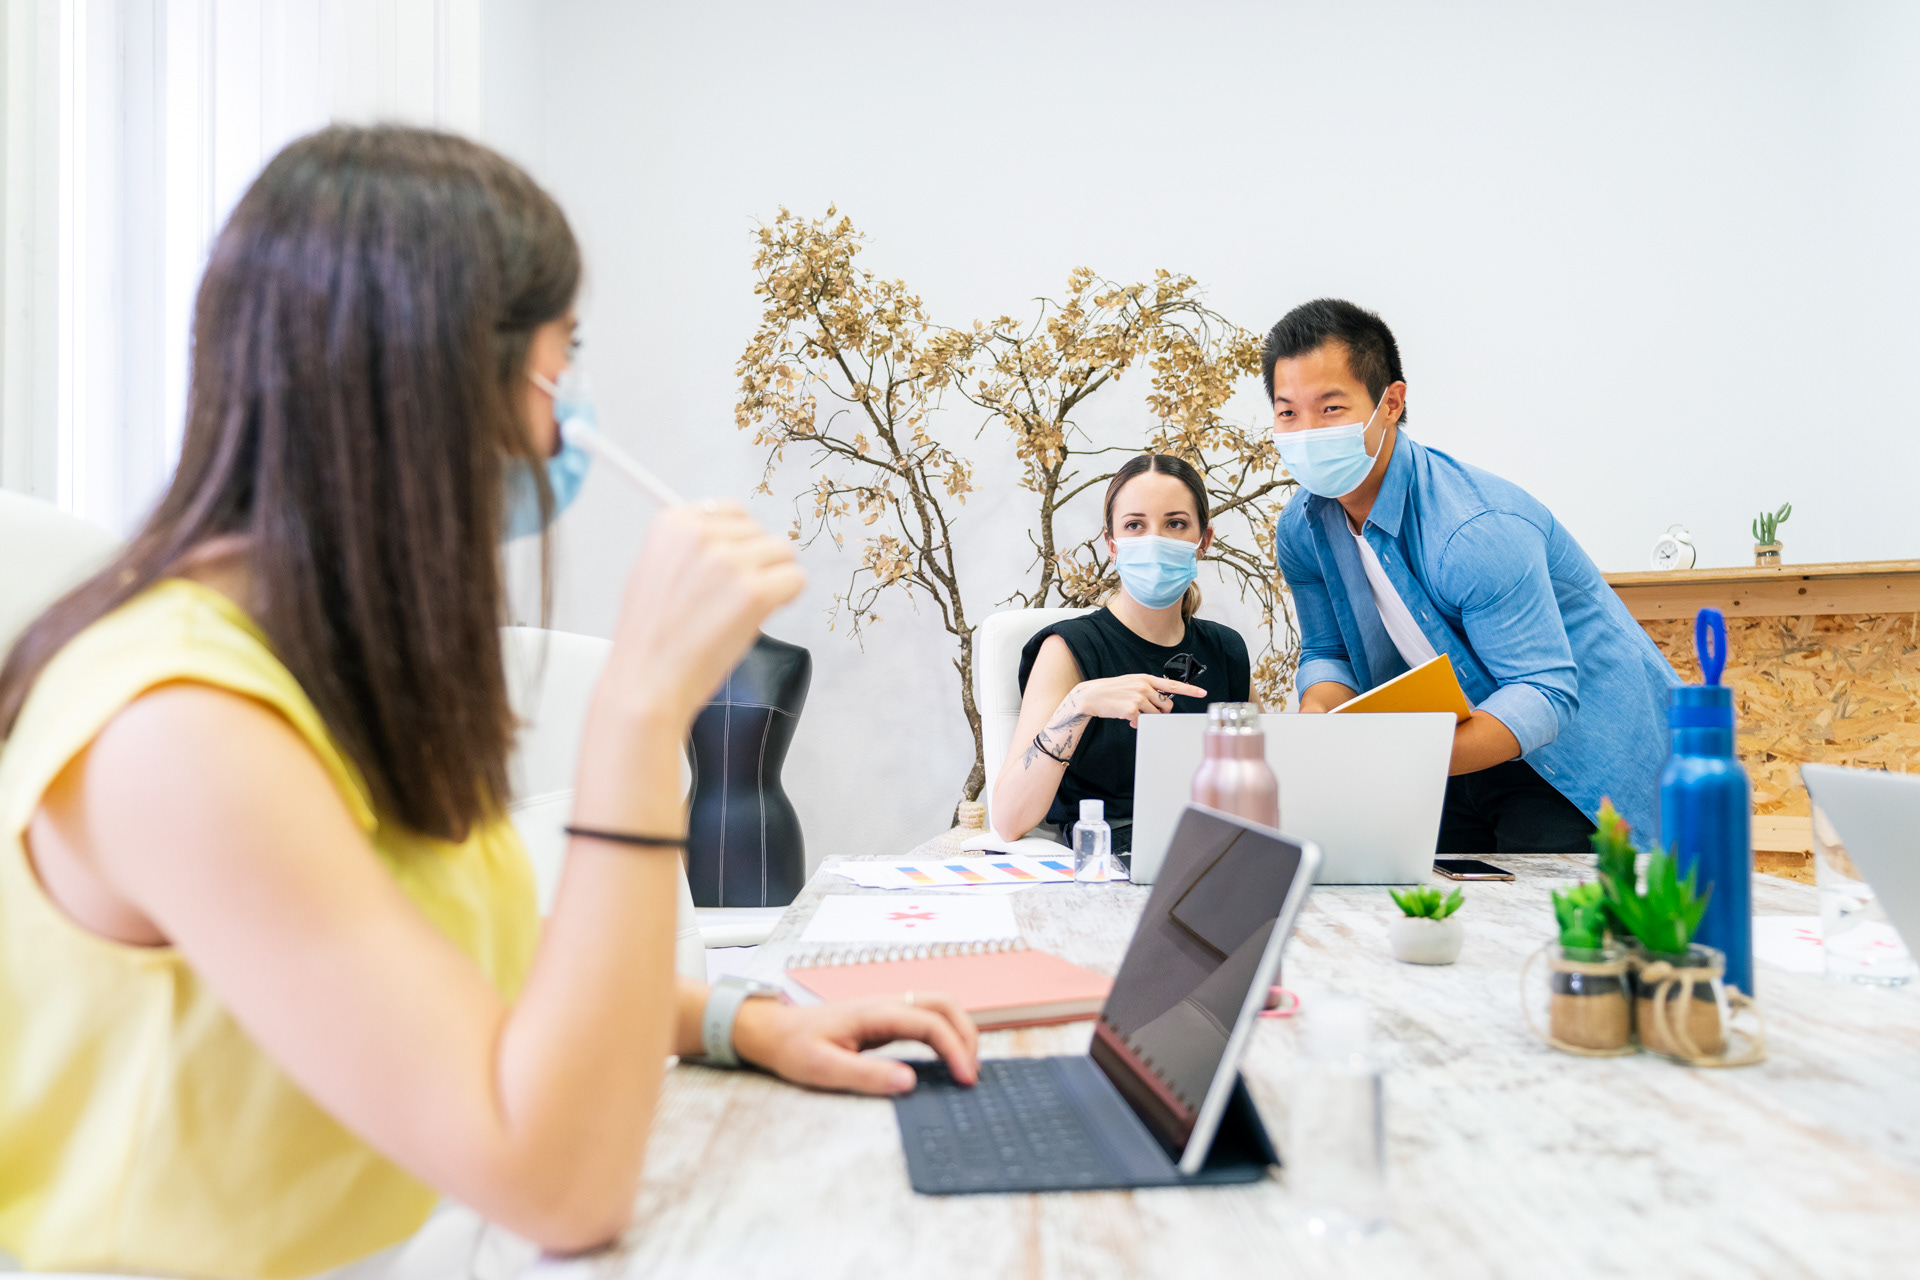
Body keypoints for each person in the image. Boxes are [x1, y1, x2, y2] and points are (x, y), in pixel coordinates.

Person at [0, 126, 977, 1277]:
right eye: (564, 363)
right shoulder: (178, 729)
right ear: (430, 380)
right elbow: (560, 1183)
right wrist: (639, 714)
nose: (573, 422)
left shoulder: (326, 666)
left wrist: (740, 1018)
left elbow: (446, 978)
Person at [1266, 298, 1679, 852]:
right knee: (1394, 877)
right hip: (1453, 746)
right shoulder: (1303, 528)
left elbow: (1543, 691)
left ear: (1391, 403)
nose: (1307, 431)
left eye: (1331, 408)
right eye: (1288, 413)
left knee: (1547, 900)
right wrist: (1319, 714)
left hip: (1573, 758)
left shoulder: (1474, 531)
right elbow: (1328, 650)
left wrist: (1395, 754)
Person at [992, 454, 1251, 857]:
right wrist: (1080, 704)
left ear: (1204, 540)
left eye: (1175, 524)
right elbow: (1008, 820)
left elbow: (1265, 781)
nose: (1154, 540)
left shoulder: (1226, 649)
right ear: (1112, 545)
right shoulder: (1068, 648)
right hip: (1109, 856)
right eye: (1134, 525)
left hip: (1214, 850)